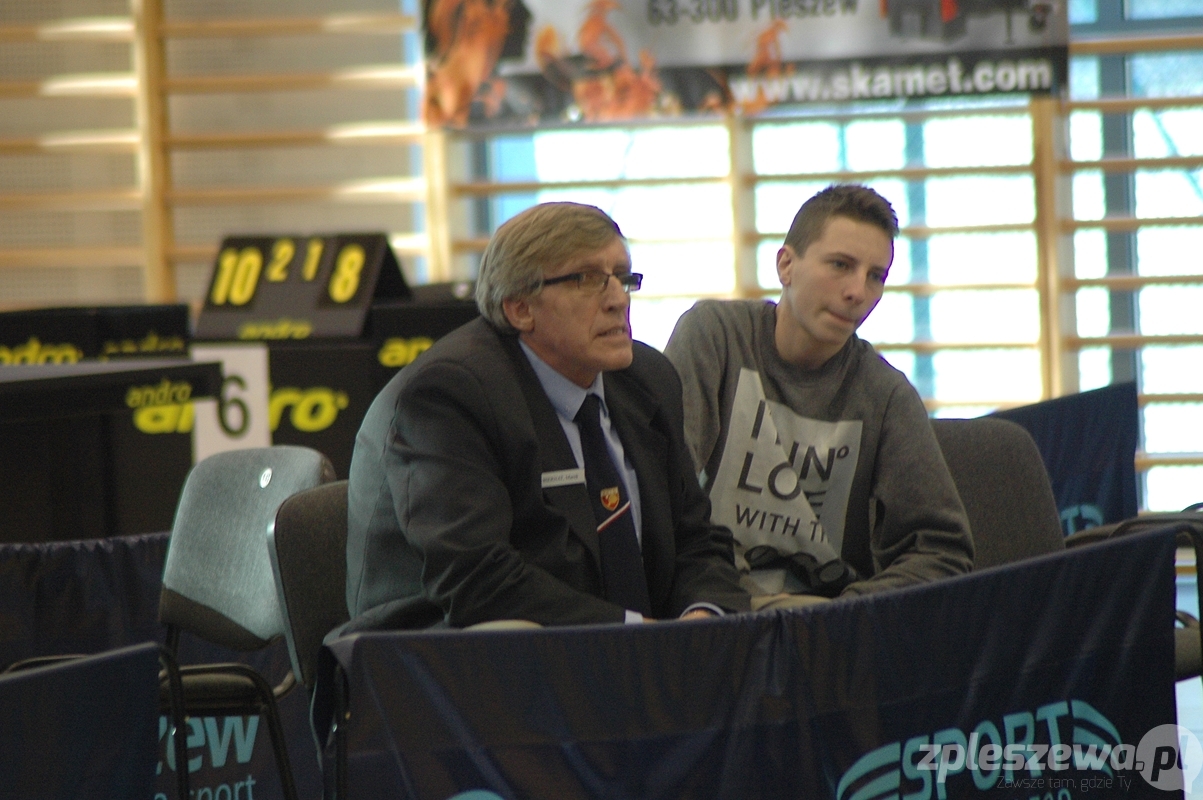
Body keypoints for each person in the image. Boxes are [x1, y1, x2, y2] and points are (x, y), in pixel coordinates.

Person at [344, 201, 750, 630]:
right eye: (587, 280)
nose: (618, 300)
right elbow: (479, 582)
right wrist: (638, 637)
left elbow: (696, 539)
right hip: (444, 651)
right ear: (520, 308)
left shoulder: (647, 378)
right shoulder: (450, 396)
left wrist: (701, 618)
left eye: (622, 278)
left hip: (622, 648)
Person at [663, 184, 973, 603]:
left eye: (876, 277)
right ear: (786, 265)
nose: (858, 292)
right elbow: (663, 491)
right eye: (841, 265)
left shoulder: (886, 394)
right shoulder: (716, 336)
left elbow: (941, 548)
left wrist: (847, 616)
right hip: (713, 605)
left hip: (828, 621)